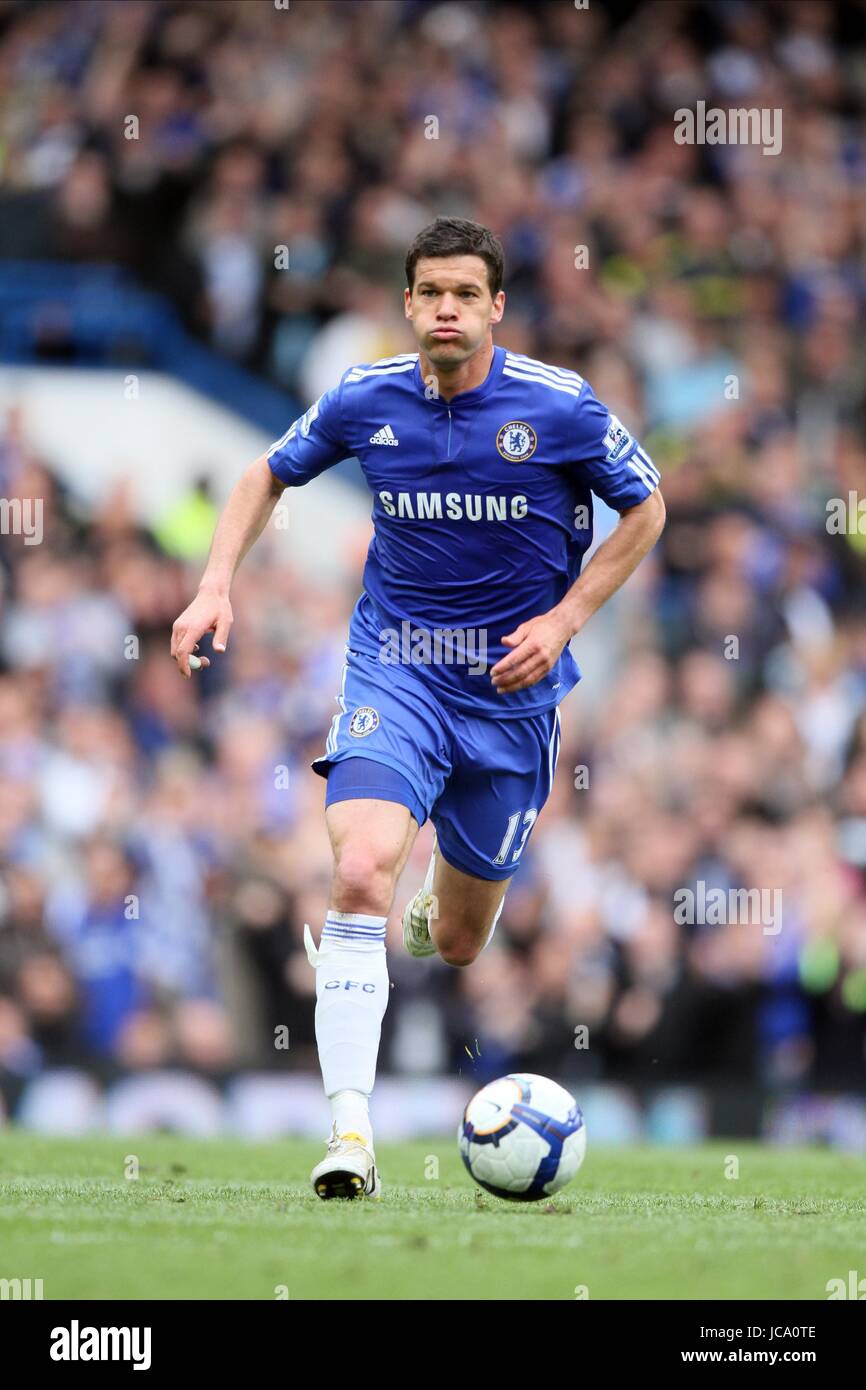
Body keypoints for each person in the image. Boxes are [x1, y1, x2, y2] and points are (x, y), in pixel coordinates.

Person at [171, 217, 666, 1199]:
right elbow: (263, 473)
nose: (446, 308)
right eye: (429, 292)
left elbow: (647, 508)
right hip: (394, 673)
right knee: (358, 871)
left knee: (455, 940)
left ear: (494, 308)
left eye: (464, 294)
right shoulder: (365, 396)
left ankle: (445, 888)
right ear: (407, 305)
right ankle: (348, 1132)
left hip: (512, 696)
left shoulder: (558, 407)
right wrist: (214, 583)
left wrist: (566, 619)